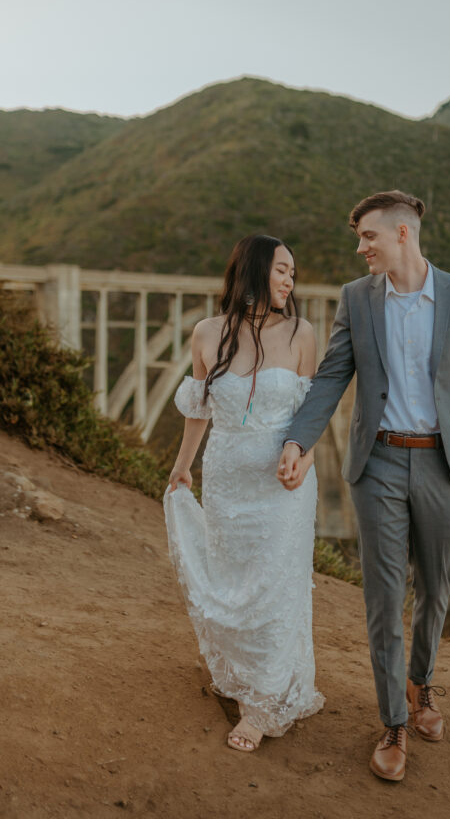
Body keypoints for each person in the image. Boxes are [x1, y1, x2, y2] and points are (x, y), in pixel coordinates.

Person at [278, 190, 450, 782]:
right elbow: (333, 376)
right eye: (360, 238)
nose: (360, 248)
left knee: (436, 586)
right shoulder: (355, 300)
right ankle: (392, 720)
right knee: (384, 596)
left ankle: (421, 685)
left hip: (444, 465)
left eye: (368, 237)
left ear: (402, 235)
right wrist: (299, 440)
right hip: (379, 463)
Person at [164, 234, 324, 753]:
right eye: (282, 270)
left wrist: (305, 459)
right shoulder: (207, 333)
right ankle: (238, 674)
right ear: (254, 270)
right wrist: (182, 466)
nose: (289, 281)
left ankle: (261, 705)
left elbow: (312, 417)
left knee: (273, 588)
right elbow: (199, 409)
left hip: (283, 483)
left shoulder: (302, 333)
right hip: (228, 478)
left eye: (293, 274)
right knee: (232, 579)